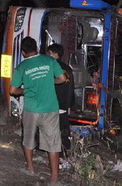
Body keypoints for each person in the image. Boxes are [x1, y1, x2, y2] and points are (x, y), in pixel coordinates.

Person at [10, 37, 66, 185]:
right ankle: (54, 179)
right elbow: (62, 78)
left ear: (22, 52)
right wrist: (49, 81)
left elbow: (13, 90)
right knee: (53, 143)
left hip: (31, 109)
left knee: (28, 139)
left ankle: (30, 168)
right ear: (37, 48)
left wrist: (25, 90)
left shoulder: (21, 67)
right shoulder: (49, 61)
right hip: (50, 108)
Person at [46, 44, 75, 159]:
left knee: (50, 130)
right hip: (62, 104)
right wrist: (68, 105)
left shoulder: (49, 67)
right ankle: (65, 153)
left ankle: (52, 153)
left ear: (55, 54)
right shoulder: (68, 69)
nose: (48, 55)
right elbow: (70, 89)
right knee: (63, 130)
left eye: (49, 53)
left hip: (50, 104)